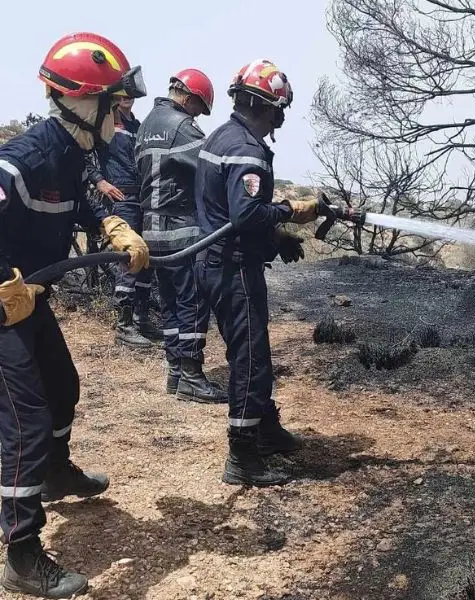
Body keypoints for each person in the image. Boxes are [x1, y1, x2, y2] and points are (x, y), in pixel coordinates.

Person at [0, 32, 149, 598]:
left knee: (63, 386)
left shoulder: (75, 152)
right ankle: (21, 556)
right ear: (83, 105)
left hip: (27, 300)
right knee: (26, 423)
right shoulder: (24, 159)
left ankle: (56, 473)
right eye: (115, 101)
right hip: (3, 306)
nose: (123, 111)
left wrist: (112, 225)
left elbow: (84, 199)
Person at [195, 60, 316, 486]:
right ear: (273, 108)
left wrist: (276, 240)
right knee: (250, 360)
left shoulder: (223, 136)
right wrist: (288, 212)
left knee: (250, 352)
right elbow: (244, 215)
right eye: (281, 108)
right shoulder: (246, 149)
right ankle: (243, 457)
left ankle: (266, 430)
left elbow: (224, 212)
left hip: (214, 262)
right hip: (233, 269)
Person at [135, 69, 225, 403]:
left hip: (152, 232)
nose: (198, 115)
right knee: (193, 302)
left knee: (171, 304)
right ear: (189, 98)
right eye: (199, 108)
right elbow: (213, 169)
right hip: (181, 232)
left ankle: (174, 371)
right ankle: (191, 375)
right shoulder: (181, 126)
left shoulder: (145, 126)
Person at [86, 96, 158, 347]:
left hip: (143, 198)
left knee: (146, 258)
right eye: (121, 93)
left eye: (131, 93)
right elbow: (83, 154)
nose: (127, 97)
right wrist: (99, 181)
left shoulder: (138, 127)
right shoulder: (104, 124)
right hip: (121, 198)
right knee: (129, 257)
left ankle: (141, 318)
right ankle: (124, 325)